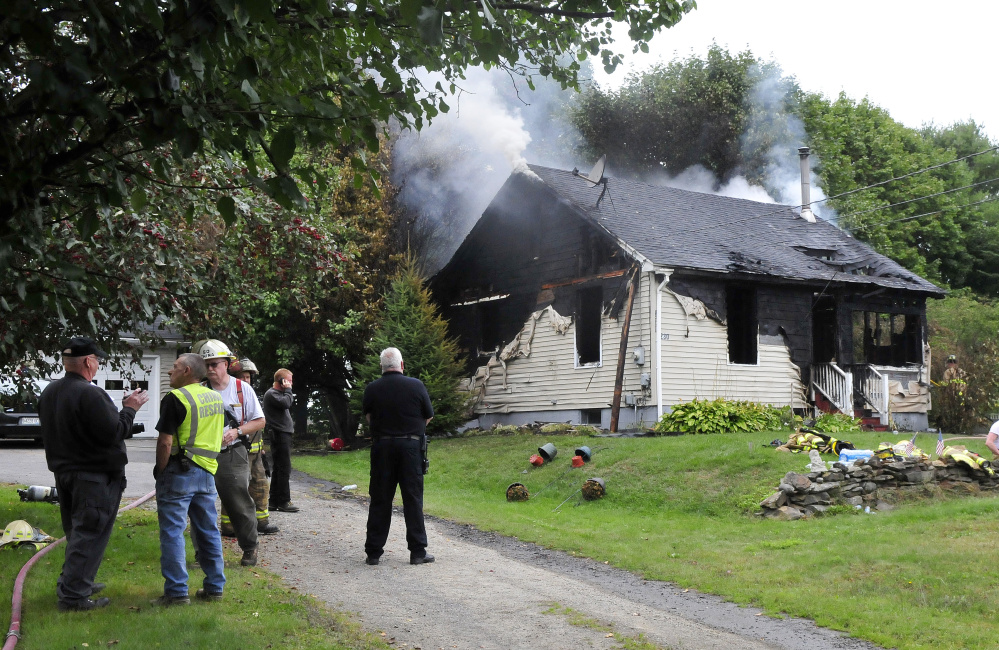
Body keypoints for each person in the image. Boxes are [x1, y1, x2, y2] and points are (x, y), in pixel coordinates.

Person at [39, 336, 150, 611]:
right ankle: (74, 597)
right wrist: (130, 409)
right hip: (93, 477)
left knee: (78, 532)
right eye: (97, 359)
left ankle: (76, 582)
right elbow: (113, 432)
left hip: (65, 473)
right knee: (89, 533)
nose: (98, 363)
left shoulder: (51, 392)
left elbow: (85, 429)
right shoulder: (90, 393)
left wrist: (121, 415)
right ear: (88, 361)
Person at [151, 353, 226, 606]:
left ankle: (176, 592)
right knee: (208, 530)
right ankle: (215, 587)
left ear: (186, 371)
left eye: (173, 368)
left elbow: (165, 441)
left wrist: (160, 470)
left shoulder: (176, 398)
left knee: (172, 532)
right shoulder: (216, 397)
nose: (169, 372)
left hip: (179, 471)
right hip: (207, 471)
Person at [362, 347, 434, 566]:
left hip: (382, 447)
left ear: (382, 367)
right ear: (401, 365)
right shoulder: (416, 385)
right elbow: (428, 416)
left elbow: (368, 417)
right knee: (412, 498)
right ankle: (418, 552)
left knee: (380, 499)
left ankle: (373, 552)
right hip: (410, 447)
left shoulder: (372, 388)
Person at [196, 339, 264, 567]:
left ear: (227, 363)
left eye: (215, 364)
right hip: (202, 455)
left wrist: (237, 431)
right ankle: (203, 554)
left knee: (238, 502)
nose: (210, 369)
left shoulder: (242, 389)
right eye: (206, 364)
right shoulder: (199, 390)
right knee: (198, 505)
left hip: (232, 453)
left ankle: (249, 548)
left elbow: (260, 420)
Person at [221, 358, 278, 535]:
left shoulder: (249, 395)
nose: (246, 380)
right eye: (242, 377)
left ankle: (262, 522)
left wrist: (261, 448)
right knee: (234, 489)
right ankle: (229, 526)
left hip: (255, 455)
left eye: (248, 377)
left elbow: (259, 424)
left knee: (261, 486)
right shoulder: (230, 394)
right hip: (236, 454)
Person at [263, 368, 298, 513]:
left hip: (283, 434)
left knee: (279, 468)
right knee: (284, 468)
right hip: (279, 434)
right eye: (288, 381)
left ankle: (273, 501)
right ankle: (284, 501)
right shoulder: (272, 394)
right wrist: (288, 390)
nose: (291, 384)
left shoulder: (279, 394)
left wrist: (287, 391)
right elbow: (286, 403)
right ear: (281, 381)